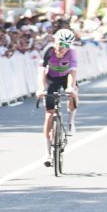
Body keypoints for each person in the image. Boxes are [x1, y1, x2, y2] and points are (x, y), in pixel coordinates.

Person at [37, 29, 79, 167]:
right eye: (60, 45)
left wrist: (70, 88)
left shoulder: (72, 52)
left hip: (66, 78)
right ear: (55, 42)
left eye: (65, 47)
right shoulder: (48, 51)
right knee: (49, 116)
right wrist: (41, 88)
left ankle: (71, 122)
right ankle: (47, 153)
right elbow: (41, 71)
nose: (61, 49)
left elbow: (73, 71)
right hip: (52, 79)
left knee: (73, 93)